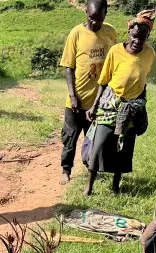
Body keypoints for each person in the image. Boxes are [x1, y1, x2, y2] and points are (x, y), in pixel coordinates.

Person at [84, 10, 155, 196]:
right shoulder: (116, 51)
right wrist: (94, 105)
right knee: (98, 143)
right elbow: (103, 80)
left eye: (143, 38)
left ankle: (116, 185)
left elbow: (143, 80)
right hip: (111, 102)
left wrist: (141, 106)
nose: (138, 41)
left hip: (132, 106)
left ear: (148, 36)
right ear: (129, 33)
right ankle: (89, 187)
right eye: (135, 36)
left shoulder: (150, 54)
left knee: (123, 147)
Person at [59, 0, 117, 185]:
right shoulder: (76, 33)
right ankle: (65, 170)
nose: (94, 23)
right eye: (91, 18)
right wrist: (73, 95)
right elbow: (68, 67)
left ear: (105, 14)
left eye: (98, 19)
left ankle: (92, 170)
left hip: (100, 101)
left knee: (94, 138)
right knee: (70, 137)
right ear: (86, 12)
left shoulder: (110, 32)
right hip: (77, 100)